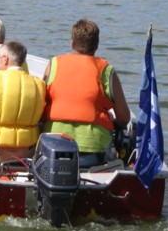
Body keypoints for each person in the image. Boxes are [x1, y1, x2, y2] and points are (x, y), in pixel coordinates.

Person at [42, 19, 131, 166]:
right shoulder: (106, 71)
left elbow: (40, 105)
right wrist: (110, 120)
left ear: (72, 43)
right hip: (94, 153)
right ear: (96, 45)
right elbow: (124, 118)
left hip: (54, 148)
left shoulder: (54, 65)